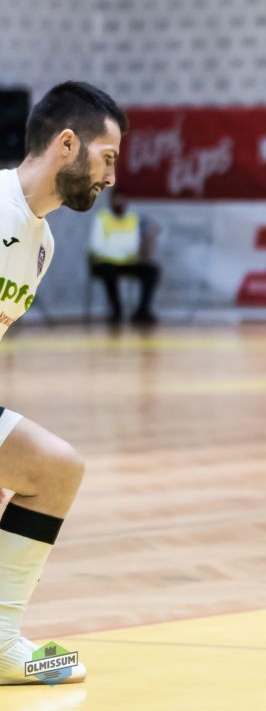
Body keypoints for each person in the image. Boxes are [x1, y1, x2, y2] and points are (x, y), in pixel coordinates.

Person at [0, 81, 126, 684]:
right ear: (68, 144)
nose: (111, 178)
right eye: (108, 158)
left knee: (53, 470)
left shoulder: (42, 244)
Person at [89, 191, 160, 325]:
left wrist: (117, 246)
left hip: (128, 261)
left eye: (122, 199)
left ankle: (142, 311)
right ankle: (116, 311)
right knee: (108, 272)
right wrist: (121, 248)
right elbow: (96, 246)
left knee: (152, 270)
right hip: (107, 262)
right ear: (111, 200)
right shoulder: (102, 217)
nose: (119, 203)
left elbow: (134, 245)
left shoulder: (132, 218)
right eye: (117, 199)